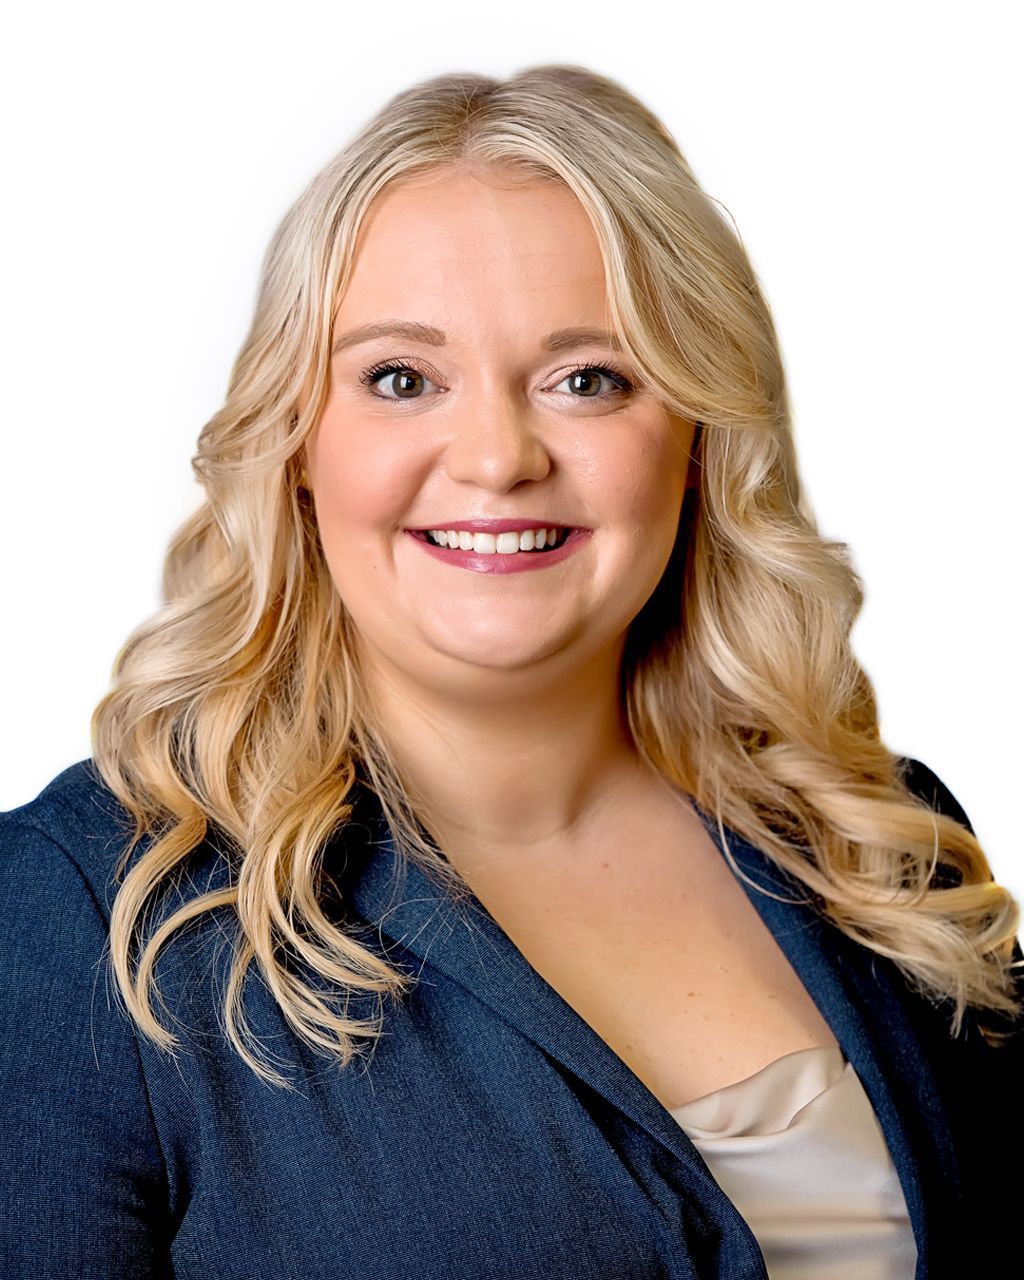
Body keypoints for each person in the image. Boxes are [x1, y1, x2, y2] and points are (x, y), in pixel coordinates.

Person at [1, 63, 1021, 1280]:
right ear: (297, 443)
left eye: (588, 377)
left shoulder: (878, 851)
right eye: (400, 378)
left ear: (695, 440)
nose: (496, 456)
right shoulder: (82, 921)